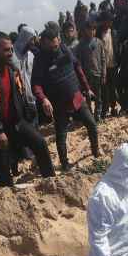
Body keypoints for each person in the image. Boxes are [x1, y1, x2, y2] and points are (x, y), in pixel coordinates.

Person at [0, 31, 54, 185]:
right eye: (6, 50)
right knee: (3, 167)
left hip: (16, 122)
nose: (10, 53)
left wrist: (28, 111)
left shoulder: (11, 69)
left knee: (40, 143)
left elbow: (18, 94)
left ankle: (51, 182)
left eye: (11, 49)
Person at [31, 28, 100, 171]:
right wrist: (44, 99)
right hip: (58, 103)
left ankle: (96, 151)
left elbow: (77, 66)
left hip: (76, 97)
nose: (56, 48)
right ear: (44, 43)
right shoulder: (40, 59)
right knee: (61, 135)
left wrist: (86, 88)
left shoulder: (65, 49)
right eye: (53, 46)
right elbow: (36, 84)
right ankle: (64, 163)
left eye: (57, 44)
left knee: (92, 124)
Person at [75, 21, 108, 121]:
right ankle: (90, 116)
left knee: (98, 97)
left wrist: (104, 74)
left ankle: (97, 115)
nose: (91, 31)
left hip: (97, 74)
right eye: (89, 29)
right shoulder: (80, 45)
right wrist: (81, 76)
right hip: (86, 75)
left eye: (93, 29)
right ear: (85, 30)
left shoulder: (99, 42)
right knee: (88, 97)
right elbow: (79, 62)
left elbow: (103, 59)